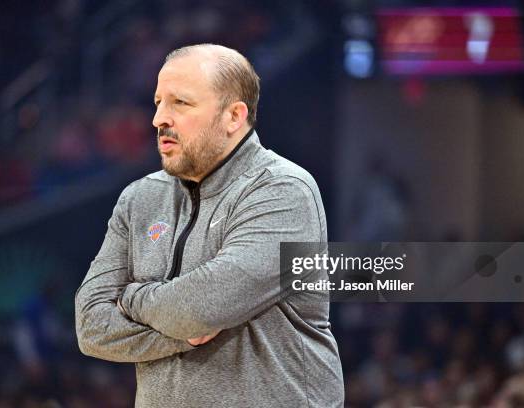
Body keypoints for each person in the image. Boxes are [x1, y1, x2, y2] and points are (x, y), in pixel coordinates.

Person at [75, 43, 344, 407]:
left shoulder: (283, 191)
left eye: (180, 103)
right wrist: (182, 335)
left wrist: (132, 298)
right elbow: (91, 326)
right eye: (158, 102)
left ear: (233, 116)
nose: (158, 119)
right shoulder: (139, 199)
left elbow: (203, 308)